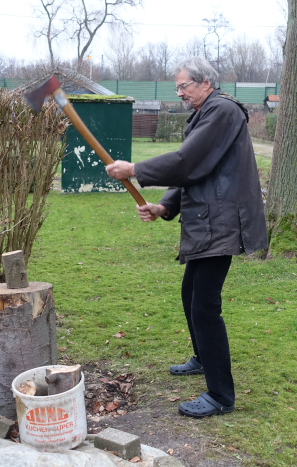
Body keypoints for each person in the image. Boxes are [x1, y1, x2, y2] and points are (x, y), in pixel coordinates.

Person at [105, 57, 268, 418]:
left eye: (183, 86)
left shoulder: (222, 111)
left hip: (221, 222)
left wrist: (135, 169)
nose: (179, 93)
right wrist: (164, 206)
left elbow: (187, 162)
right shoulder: (206, 113)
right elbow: (196, 173)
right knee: (190, 292)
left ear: (205, 82)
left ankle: (220, 395)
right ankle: (202, 357)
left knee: (204, 306)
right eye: (177, 87)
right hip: (208, 219)